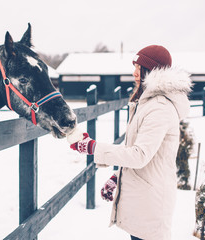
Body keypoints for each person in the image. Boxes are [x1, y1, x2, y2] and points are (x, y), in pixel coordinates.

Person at [70, 45, 192, 240]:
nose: (135, 73)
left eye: (140, 68)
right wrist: (117, 177)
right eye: (134, 67)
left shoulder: (159, 108)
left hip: (151, 204)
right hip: (143, 199)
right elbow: (137, 149)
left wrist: (93, 147)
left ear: (153, 72)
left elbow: (139, 155)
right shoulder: (148, 103)